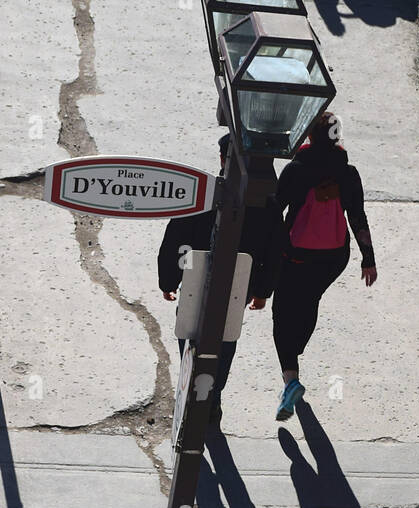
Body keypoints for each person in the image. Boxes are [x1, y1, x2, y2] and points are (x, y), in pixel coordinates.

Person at [158, 134, 284, 426]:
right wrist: (263, 290)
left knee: (189, 331)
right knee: (224, 339)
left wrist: (169, 279)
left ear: (222, 160)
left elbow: (175, 238)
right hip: (238, 288)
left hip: (193, 280)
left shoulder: (201, 194)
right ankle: (211, 399)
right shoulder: (267, 204)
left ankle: (191, 389)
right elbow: (274, 251)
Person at [271, 111, 377, 421]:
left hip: (296, 255)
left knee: (283, 312)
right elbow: (357, 217)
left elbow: (276, 213)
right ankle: (298, 345)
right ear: (338, 137)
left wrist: (267, 253)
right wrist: (368, 259)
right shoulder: (348, 173)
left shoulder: (296, 170)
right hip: (333, 258)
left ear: (309, 137)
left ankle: (291, 378)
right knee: (309, 299)